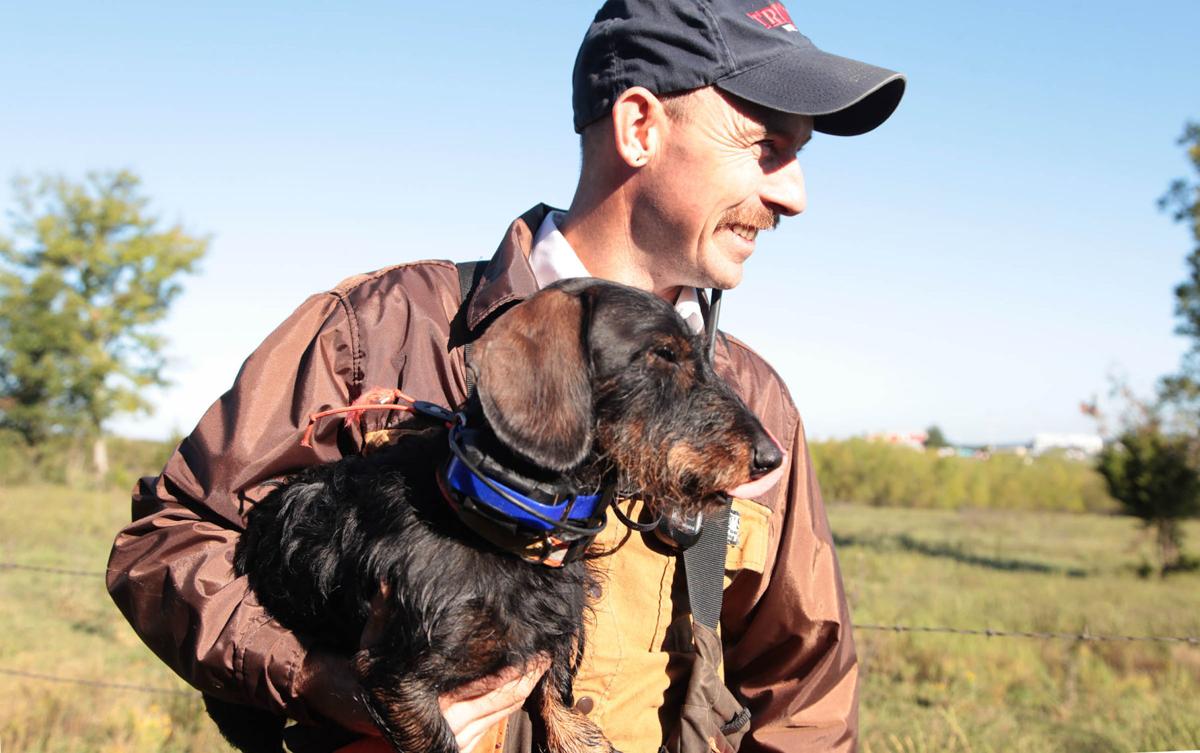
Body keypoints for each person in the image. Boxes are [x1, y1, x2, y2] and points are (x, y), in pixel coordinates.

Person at [107, 2, 905, 752]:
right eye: (767, 145)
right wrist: (318, 679)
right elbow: (166, 543)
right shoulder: (379, 330)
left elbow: (803, 690)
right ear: (639, 125)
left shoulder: (756, 405)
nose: (793, 194)